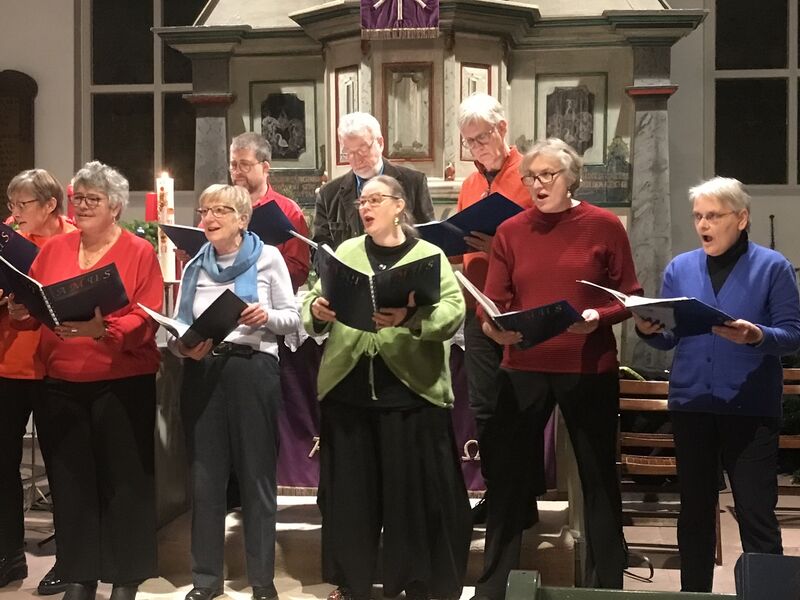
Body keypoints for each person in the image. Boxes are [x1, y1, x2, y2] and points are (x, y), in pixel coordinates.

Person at [478, 138, 642, 597]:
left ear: (572, 178)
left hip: (587, 366)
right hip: (524, 365)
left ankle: (606, 585)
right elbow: (493, 303)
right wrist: (493, 329)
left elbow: (629, 295)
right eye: (530, 176)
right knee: (508, 479)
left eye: (548, 175)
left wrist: (598, 318)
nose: (538, 184)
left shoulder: (604, 225)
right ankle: (495, 588)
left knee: (597, 476)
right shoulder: (511, 230)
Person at [304, 175, 470, 600]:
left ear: (399, 206)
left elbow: (453, 310)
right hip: (349, 392)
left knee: (410, 500)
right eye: (362, 201)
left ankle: (414, 581)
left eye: (375, 200)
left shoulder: (428, 255)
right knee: (351, 499)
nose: (366, 207)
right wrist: (317, 309)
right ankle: (352, 583)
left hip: (410, 394)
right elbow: (312, 299)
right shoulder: (346, 251)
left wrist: (410, 319)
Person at [635, 177, 800, 592]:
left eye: (713, 216)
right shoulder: (680, 268)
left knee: (755, 513)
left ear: (741, 219)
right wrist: (649, 329)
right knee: (694, 512)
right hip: (692, 404)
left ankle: (766, 594)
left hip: (750, 408)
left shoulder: (772, 267)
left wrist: (757, 335)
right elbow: (669, 336)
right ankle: (694, 594)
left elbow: (793, 335)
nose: (703, 225)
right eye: (698, 216)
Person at [7, 161, 163, 600]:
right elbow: (37, 302)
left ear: (116, 206)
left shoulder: (138, 251)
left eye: (94, 198)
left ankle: (125, 578)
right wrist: (22, 311)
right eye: (79, 198)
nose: (84, 205)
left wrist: (105, 330)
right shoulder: (55, 249)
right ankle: (79, 574)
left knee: (124, 482)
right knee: (71, 482)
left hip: (121, 380)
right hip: (60, 380)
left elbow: (148, 314)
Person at [169, 184, 300, 600]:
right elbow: (175, 326)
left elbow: (293, 318)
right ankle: (205, 579)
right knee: (205, 478)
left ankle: (262, 580)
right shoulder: (195, 265)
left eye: (220, 211)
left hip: (251, 369)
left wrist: (266, 316)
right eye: (204, 211)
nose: (208, 218)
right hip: (204, 370)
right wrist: (182, 345)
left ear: (242, 219)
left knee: (256, 474)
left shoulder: (268, 257)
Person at [452, 93, 533, 523]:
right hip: (478, 308)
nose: (476, 148)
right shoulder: (469, 184)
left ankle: (522, 500)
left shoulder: (530, 175)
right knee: (484, 407)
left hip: (519, 307)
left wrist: (499, 246)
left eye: (481, 138)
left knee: (520, 406)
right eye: (469, 142)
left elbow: (542, 243)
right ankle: (497, 493)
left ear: (502, 128)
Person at [0, 169, 75, 596]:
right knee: (2, 463)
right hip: (8, 363)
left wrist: (34, 307)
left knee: (63, 466)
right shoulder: (7, 239)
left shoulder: (73, 240)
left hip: (53, 365)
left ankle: (70, 558)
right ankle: (8, 554)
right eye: (11, 204)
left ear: (50, 204)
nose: (13, 213)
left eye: (22, 204)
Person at [312, 112, 434, 249]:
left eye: (363, 150)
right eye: (349, 153)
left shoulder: (413, 183)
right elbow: (319, 249)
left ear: (380, 143)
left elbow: (429, 239)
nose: (356, 159)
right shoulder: (328, 193)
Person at [228, 132, 310, 293]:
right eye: (233, 165)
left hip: (271, 299)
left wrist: (256, 261)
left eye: (244, 165)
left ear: (265, 168)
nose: (237, 172)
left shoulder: (288, 210)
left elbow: (299, 272)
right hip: (222, 296)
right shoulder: (219, 207)